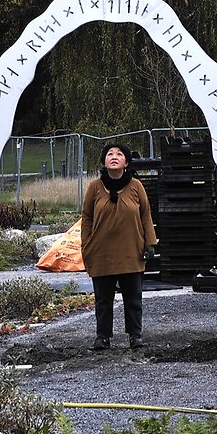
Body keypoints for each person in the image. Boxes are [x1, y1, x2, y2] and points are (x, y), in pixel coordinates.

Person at [81, 142, 157, 350]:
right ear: (104, 162)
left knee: (133, 298)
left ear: (126, 162)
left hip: (131, 252)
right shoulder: (95, 187)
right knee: (103, 300)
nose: (114, 157)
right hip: (101, 252)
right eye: (109, 154)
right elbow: (86, 217)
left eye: (119, 154)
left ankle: (135, 334)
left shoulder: (136, 186)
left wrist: (150, 242)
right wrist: (86, 245)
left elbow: (145, 215)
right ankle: (102, 336)